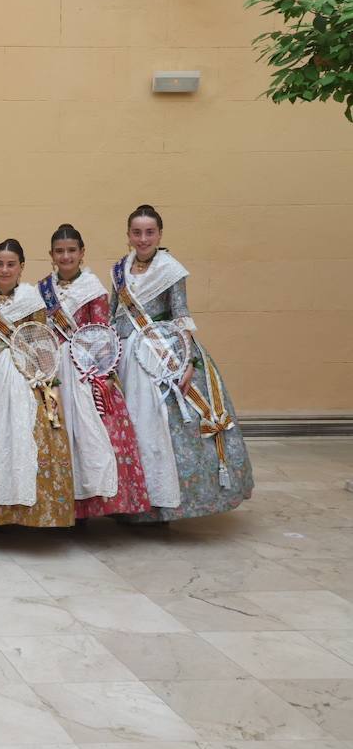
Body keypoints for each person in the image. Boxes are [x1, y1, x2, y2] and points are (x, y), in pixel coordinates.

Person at [112, 205, 253, 521]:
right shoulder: (119, 270)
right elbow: (113, 315)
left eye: (150, 232)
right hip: (126, 359)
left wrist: (186, 362)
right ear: (129, 236)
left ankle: (165, 506)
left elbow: (181, 315)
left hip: (163, 356)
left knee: (167, 429)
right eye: (137, 232)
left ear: (160, 234)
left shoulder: (171, 269)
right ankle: (129, 505)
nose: (143, 238)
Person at [41, 224, 150, 518]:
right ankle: (63, 504)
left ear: (82, 253)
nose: (66, 257)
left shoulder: (93, 290)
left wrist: (95, 375)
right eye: (60, 251)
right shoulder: (42, 290)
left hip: (83, 369)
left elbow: (101, 333)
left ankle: (90, 506)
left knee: (91, 433)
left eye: (71, 251)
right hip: (53, 371)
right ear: (51, 255)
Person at [0, 238, 76, 528]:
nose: (4, 270)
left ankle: (26, 512)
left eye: (11, 265)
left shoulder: (33, 300)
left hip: (25, 377)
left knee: (24, 437)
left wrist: (48, 386)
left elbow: (43, 343)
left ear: (21, 268)